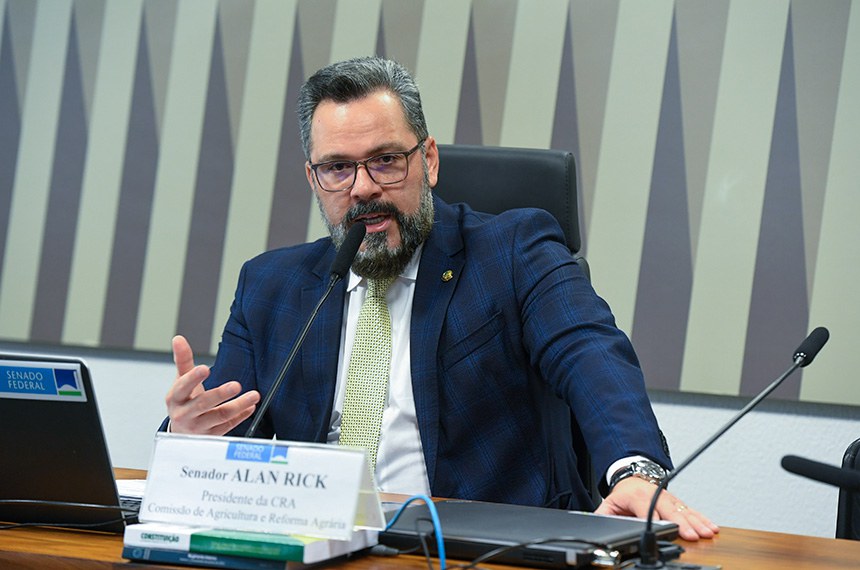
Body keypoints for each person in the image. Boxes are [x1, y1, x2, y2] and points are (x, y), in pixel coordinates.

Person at [163, 56, 717, 541]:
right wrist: (187, 438)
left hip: (482, 552)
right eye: (338, 168)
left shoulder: (513, 251)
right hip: (319, 547)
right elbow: (223, 437)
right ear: (314, 179)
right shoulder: (272, 285)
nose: (361, 188)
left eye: (385, 160)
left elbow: (589, 353)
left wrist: (633, 471)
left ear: (427, 160)